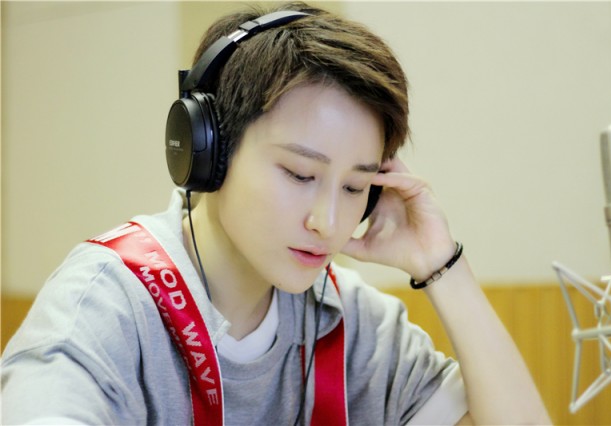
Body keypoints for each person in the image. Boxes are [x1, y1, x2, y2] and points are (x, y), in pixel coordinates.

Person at [1, 2, 551, 425]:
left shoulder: (350, 319)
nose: (327, 222)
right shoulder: (103, 308)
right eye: (300, 175)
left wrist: (442, 266)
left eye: (355, 186)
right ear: (210, 152)